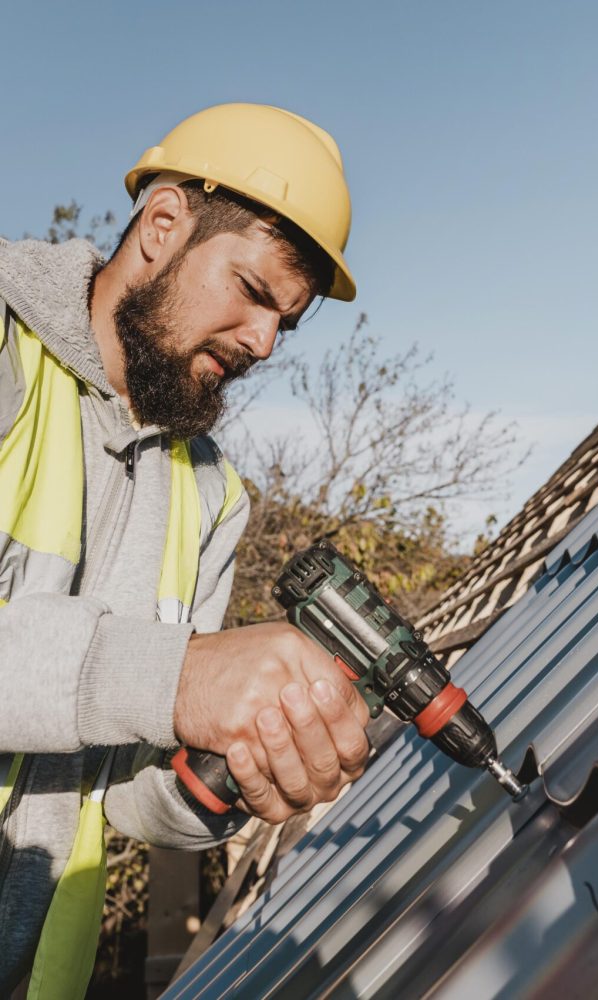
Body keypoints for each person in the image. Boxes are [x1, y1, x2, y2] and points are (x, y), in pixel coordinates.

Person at [0, 103, 370, 997]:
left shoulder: (210, 492)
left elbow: (126, 789)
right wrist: (177, 677)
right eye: (253, 291)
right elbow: (150, 681)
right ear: (163, 224)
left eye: (288, 319)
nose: (264, 343)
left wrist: (233, 769)